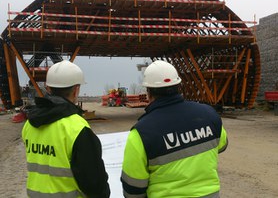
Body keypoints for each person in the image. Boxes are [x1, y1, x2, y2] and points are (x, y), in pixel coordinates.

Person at [121, 60, 228, 198]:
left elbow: (133, 189)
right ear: (178, 86)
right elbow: (222, 145)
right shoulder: (209, 114)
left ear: (149, 92)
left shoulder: (141, 133)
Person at [22, 60, 110, 198]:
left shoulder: (30, 124)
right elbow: (95, 185)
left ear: (48, 88)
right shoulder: (77, 128)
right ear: (76, 90)